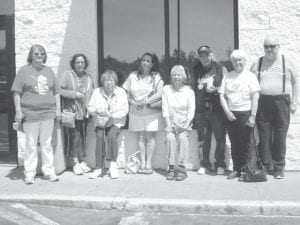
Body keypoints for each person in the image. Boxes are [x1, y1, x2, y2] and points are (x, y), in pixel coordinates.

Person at [250, 36, 299, 179]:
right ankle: (264, 165)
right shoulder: (257, 62)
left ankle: (278, 167)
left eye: (272, 46)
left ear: (278, 46)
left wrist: (294, 102)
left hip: (282, 101)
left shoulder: (287, 62)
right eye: (266, 46)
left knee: (280, 133)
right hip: (262, 101)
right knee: (264, 133)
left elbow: (296, 83)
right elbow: (250, 83)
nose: (269, 49)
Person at [11, 44, 60, 184]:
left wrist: (58, 110)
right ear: (31, 55)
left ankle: (49, 171)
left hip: (48, 114)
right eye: (36, 53)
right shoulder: (24, 71)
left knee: (47, 144)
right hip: (30, 114)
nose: (39, 56)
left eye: (42, 53)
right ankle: (30, 173)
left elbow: (56, 91)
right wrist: (18, 111)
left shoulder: (49, 71)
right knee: (31, 145)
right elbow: (16, 92)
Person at [219, 49, 260, 179]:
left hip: (246, 113)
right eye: (235, 60)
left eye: (240, 60)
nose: (238, 62)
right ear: (232, 62)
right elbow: (221, 95)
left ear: (244, 61)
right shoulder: (228, 76)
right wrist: (226, 111)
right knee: (234, 142)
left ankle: (246, 170)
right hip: (231, 114)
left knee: (246, 143)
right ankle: (236, 169)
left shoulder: (250, 76)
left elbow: (255, 96)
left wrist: (253, 116)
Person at [122, 52, 164, 174]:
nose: (145, 63)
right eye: (143, 60)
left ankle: (148, 163)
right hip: (136, 112)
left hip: (152, 113)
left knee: (150, 138)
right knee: (140, 137)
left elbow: (159, 93)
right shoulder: (133, 75)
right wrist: (132, 102)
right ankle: (143, 162)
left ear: (152, 64)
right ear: (140, 62)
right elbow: (127, 92)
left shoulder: (156, 76)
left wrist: (146, 102)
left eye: (148, 61)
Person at [192, 45, 227, 175]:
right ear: (199, 57)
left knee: (220, 137)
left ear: (211, 54)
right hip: (201, 110)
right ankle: (205, 164)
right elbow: (194, 88)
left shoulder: (220, 67)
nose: (204, 57)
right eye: (201, 55)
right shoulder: (196, 69)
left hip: (217, 109)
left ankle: (220, 164)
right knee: (203, 138)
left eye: (206, 54)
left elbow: (227, 86)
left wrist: (217, 90)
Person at [88, 70, 128, 179]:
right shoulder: (97, 92)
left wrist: (111, 116)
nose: (109, 83)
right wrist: (97, 111)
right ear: (102, 82)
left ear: (115, 81)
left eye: (111, 80)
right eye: (106, 80)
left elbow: (125, 110)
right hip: (100, 122)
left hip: (115, 122)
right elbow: (90, 108)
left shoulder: (121, 92)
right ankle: (98, 168)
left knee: (111, 137)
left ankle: (112, 166)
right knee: (100, 137)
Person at [58, 53, 94, 175]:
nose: (80, 64)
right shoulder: (67, 75)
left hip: (85, 113)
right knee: (74, 138)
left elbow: (91, 93)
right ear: (73, 64)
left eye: (82, 62)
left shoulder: (88, 77)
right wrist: (74, 94)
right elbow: (59, 90)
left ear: (85, 64)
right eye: (77, 62)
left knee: (84, 137)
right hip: (72, 113)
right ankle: (74, 162)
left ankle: (82, 161)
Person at [162, 65, 195, 181]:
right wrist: (168, 125)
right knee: (170, 138)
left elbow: (191, 111)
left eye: (179, 74)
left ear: (183, 77)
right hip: (170, 122)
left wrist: (185, 126)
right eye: (174, 75)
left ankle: (182, 169)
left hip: (184, 123)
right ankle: (171, 168)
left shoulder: (189, 92)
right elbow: (165, 108)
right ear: (171, 77)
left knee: (182, 138)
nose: (176, 77)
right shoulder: (166, 89)